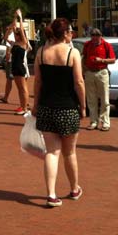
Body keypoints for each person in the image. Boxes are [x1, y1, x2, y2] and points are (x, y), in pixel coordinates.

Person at [31, 18, 85, 207]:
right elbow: (79, 82)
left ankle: (51, 194)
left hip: (46, 107)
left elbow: (37, 82)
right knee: (69, 152)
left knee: (51, 152)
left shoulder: (41, 53)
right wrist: (83, 106)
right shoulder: (72, 52)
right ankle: (74, 188)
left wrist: (35, 105)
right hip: (68, 107)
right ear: (67, 33)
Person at [81, 28, 115, 131]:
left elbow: (113, 60)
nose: (94, 38)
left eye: (96, 36)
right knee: (91, 99)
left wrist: (102, 60)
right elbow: (83, 57)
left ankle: (105, 122)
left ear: (100, 36)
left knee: (104, 99)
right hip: (89, 72)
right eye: (93, 36)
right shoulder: (87, 44)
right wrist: (84, 69)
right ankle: (93, 121)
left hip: (102, 72)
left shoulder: (106, 45)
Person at [9, 10, 31, 115]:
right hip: (14, 66)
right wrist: (14, 17)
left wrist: (20, 18)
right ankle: (22, 106)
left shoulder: (23, 42)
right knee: (19, 88)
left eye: (17, 34)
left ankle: (25, 108)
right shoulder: (16, 42)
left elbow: (21, 29)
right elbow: (14, 27)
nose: (16, 34)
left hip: (20, 67)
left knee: (23, 88)